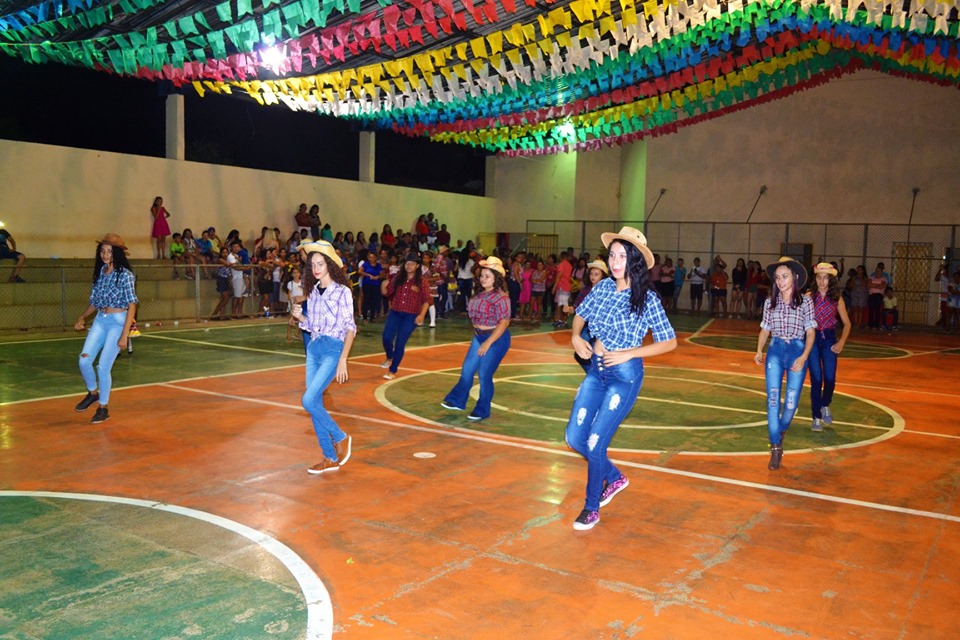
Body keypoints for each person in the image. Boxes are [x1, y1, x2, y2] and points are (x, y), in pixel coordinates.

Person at [565, 227, 677, 531]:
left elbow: (669, 342)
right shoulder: (601, 288)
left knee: (595, 441)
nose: (615, 262)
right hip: (596, 370)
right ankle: (614, 477)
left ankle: (591, 509)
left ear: (635, 261)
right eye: (612, 255)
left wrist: (631, 353)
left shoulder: (646, 298)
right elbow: (580, 313)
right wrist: (576, 336)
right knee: (574, 438)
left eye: (622, 256)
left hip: (624, 377)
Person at [290, 241, 356, 474]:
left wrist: (343, 359)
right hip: (314, 349)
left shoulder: (342, 292)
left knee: (308, 401)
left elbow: (350, 328)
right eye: (313, 265)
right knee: (314, 402)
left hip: (332, 350)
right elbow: (313, 327)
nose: (316, 268)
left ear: (329, 264)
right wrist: (301, 319)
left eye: (320, 263)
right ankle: (329, 457)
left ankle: (340, 436)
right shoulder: (314, 292)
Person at [754, 257, 816, 470]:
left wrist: (804, 356)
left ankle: (780, 430)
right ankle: (776, 447)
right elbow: (765, 329)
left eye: (785, 276)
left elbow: (810, 332)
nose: (780, 281)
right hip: (776, 351)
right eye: (777, 277)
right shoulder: (770, 302)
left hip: (797, 351)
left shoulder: (806, 302)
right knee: (773, 400)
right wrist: (759, 350)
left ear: (795, 278)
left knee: (790, 403)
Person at [74, 233, 139, 425]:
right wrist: (83, 317)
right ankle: (93, 393)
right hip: (100, 321)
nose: (105, 254)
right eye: (102, 251)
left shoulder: (125, 275)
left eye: (109, 251)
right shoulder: (101, 273)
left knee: (103, 367)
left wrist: (124, 335)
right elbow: (94, 302)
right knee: (84, 361)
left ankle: (103, 408)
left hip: (118, 322)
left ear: (117, 253)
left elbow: (132, 304)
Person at [441, 256, 512, 420]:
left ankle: (482, 410)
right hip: (479, 337)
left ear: (497, 278)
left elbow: (504, 323)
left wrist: (487, 343)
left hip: (496, 339)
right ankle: (457, 400)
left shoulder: (501, 297)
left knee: (484, 374)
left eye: (487, 276)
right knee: (467, 370)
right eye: (482, 276)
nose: (483, 279)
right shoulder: (479, 294)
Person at [808, 263, 851, 432]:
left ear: (830, 280)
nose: (821, 281)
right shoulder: (809, 297)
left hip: (829, 339)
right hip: (812, 338)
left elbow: (847, 324)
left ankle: (825, 404)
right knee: (816, 379)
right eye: (819, 277)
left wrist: (841, 342)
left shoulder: (837, 298)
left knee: (830, 378)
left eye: (825, 278)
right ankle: (816, 417)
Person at [380, 252, 431, 380]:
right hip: (395, 312)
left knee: (400, 343)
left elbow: (427, 301)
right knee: (386, 337)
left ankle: (392, 370)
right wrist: (383, 286)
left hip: (410, 316)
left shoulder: (422, 282)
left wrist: (421, 316)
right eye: (407, 263)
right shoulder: (398, 277)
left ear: (417, 266)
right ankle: (390, 356)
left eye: (412, 263)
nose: (409, 266)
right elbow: (388, 292)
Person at [867, 265, 887, 330]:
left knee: (877, 309)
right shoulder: (871, 277)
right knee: (871, 309)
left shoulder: (883, 279)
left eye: (879, 271)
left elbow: (882, 286)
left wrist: (873, 285)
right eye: (877, 271)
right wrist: (877, 285)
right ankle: (870, 324)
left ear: (882, 272)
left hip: (879, 295)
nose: (878, 272)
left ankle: (876, 325)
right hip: (872, 294)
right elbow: (868, 284)